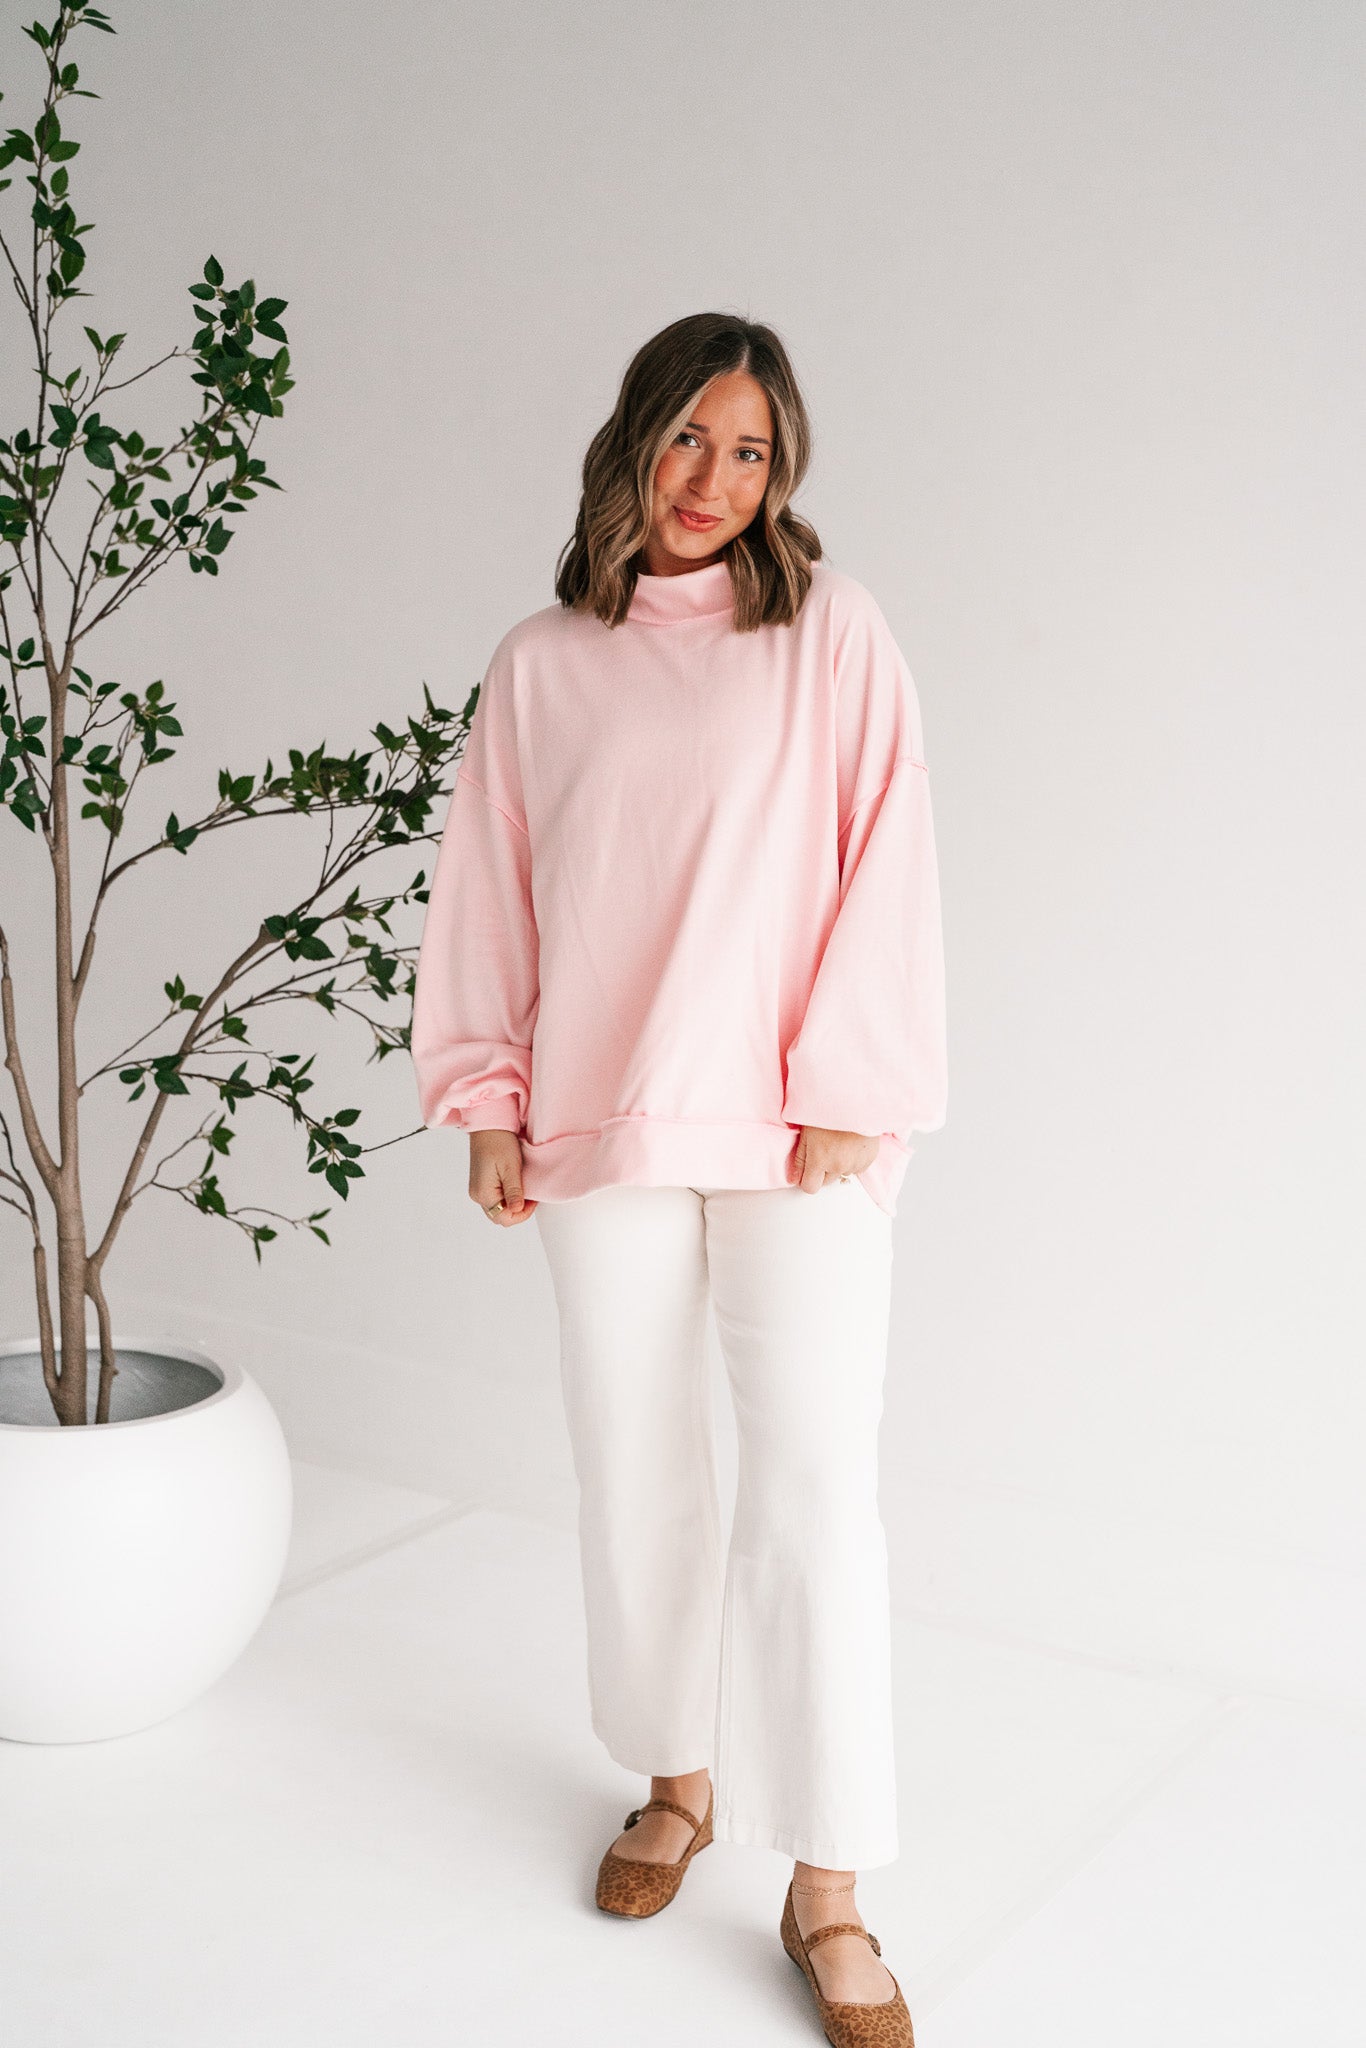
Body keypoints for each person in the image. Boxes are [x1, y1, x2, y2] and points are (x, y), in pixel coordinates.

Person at [410, 310, 946, 2047]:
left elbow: (888, 850)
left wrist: (853, 1083)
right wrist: (489, 1100)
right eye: (691, 437)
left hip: (798, 1132)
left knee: (814, 1485)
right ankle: (675, 1781)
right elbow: (490, 890)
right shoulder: (540, 664)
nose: (714, 478)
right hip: (600, 1122)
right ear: (634, 437)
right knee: (634, 1462)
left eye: (751, 449)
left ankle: (829, 1883)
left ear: (782, 472)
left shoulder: (829, 631)